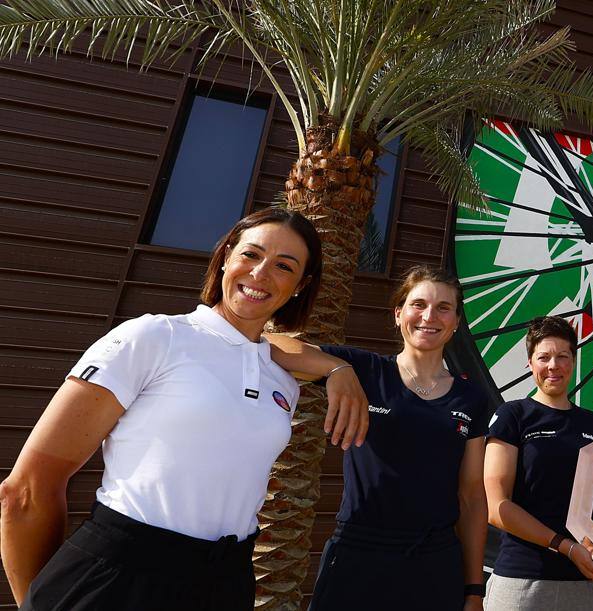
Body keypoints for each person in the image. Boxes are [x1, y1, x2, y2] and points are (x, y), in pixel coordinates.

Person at [0, 208, 363, 610]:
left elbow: (271, 350)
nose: (260, 273)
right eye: (250, 254)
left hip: (226, 581)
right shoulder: (154, 336)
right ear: (226, 256)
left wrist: (338, 367)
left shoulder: (280, 378)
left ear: (300, 285)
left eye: (284, 265)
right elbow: (25, 491)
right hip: (119, 575)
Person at [267, 265, 489, 611]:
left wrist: (474, 590)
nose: (429, 316)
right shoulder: (365, 370)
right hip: (359, 555)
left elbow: (472, 496)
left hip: (434, 562)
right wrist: (336, 369)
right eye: (418, 304)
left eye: (444, 308)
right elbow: (270, 344)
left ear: (456, 322)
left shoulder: (471, 398)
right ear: (398, 314)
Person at [484, 316, 593, 611]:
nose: (553, 365)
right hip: (523, 578)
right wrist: (565, 546)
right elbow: (495, 508)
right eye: (544, 357)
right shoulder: (512, 416)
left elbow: (590, 511)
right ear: (530, 363)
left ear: (573, 360)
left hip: (586, 579)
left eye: (562, 356)